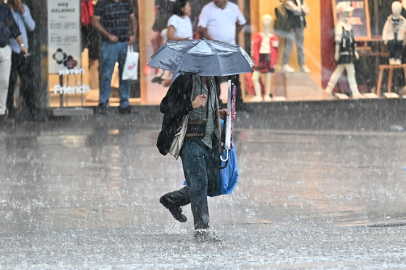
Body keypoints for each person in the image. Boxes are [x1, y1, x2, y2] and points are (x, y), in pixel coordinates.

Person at [158, 74, 233, 242]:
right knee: (199, 184)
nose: (213, 71)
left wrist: (217, 113)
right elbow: (165, 106)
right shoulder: (186, 80)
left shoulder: (213, 82)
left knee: (212, 183)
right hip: (191, 141)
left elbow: (207, 110)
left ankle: (172, 200)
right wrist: (190, 105)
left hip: (210, 141)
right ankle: (202, 229)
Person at [198, 0, 248, 111]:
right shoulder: (207, 8)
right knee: (215, 78)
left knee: (234, 77)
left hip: (230, 48)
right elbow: (201, 28)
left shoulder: (233, 8)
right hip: (214, 50)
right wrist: (212, 41)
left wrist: (234, 34)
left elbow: (242, 22)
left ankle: (237, 102)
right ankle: (216, 103)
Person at [91, 0, 138, 115]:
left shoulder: (125, 2)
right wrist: (108, 35)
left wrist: (133, 35)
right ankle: (104, 103)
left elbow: (133, 19)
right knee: (107, 74)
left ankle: (124, 103)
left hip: (124, 43)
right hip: (109, 44)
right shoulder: (103, 3)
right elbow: (94, 21)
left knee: (126, 74)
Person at [324, 2, 363, 99]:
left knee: (338, 71)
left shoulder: (347, 26)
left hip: (349, 52)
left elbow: (351, 41)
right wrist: (337, 53)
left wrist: (354, 51)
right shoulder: (339, 27)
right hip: (344, 53)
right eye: (346, 12)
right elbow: (338, 41)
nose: (349, 13)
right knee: (351, 71)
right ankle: (355, 92)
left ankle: (328, 89)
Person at [6, 0, 35, 122]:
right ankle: (10, 110)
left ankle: (31, 109)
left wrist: (22, 10)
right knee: (10, 82)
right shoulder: (5, 10)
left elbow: (32, 26)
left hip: (24, 52)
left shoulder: (24, 9)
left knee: (28, 81)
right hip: (11, 50)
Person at [0, 0, 28, 123]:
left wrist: (22, 44)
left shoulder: (5, 8)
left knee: (5, 81)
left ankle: (1, 112)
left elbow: (14, 27)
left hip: (5, 47)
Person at [251, 14, 279, 102]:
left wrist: (274, 62)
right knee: (255, 77)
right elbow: (253, 49)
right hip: (259, 57)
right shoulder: (256, 36)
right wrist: (254, 59)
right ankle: (258, 95)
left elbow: (275, 51)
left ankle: (267, 95)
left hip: (269, 57)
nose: (265, 22)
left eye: (268, 20)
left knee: (268, 78)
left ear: (271, 23)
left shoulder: (273, 37)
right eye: (264, 20)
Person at [281, 0, 310, 73]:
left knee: (300, 46)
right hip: (291, 26)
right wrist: (302, 9)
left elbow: (307, 11)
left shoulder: (302, 1)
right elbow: (295, 10)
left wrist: (300, 10)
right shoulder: (288, 1)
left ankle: (302, 65)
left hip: (301, 25)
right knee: (289, 45)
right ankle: (285, 64)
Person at [167, 0, 193, 81]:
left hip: (188, 51)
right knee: (178, 76)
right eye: (188, 6)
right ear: (182, 8)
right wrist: (183, 39)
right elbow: (170, 36)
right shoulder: (174, 19)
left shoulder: (187, 19)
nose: (190, 8)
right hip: (178, 52)